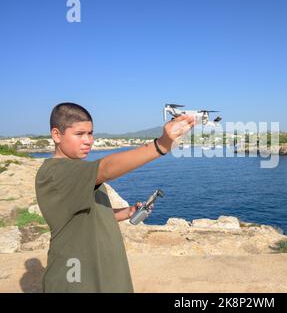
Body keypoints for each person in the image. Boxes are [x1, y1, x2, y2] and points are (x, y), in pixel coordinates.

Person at [35, 102, 195, 292]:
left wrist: (127, 212)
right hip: (76, 277)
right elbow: (106, 167)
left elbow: (90, 215)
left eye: (90, 133)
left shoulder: (78, 172)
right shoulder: (55, 171)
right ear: (56, 135)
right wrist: (160, 145)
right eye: (79, 134)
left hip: (99, 273)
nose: (88, 140)